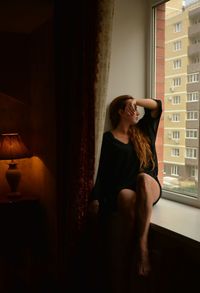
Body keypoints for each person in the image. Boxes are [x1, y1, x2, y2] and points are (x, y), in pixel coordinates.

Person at [88, 94, 162, 278]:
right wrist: (95, 198)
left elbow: (157, 106)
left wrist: (135, 100)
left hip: (149, 186)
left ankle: (142, 247)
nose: (136, 111)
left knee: (143, 178)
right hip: (127, 190)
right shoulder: (108, 139)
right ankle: (125, 262)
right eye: (130, 108)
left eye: (135, 108)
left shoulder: (144, 130)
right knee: (122, 196)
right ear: (120, 112)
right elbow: (101, 172)